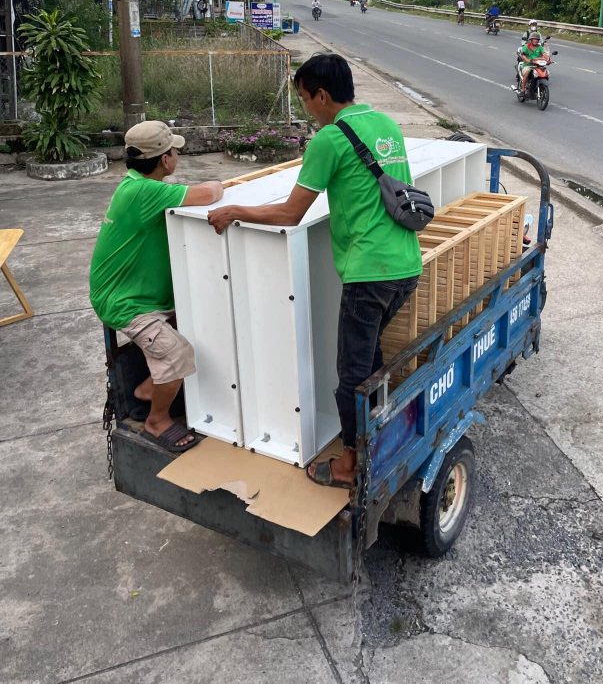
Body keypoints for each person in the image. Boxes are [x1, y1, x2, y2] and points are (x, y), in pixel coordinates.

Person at [208, 53, 422, 488]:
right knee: (370, 359)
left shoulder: (330, 139)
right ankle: (378, 434)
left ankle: (352, 464)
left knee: (351, 376)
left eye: (305, 99)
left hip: (369, 274)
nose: (307, 109)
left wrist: (234, 210)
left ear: (322, 95)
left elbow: (291, 213)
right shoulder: (386, 123)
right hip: (405, 265)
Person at [89, 121, 224, 453]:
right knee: (178, 354)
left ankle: (150, 387)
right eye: (174, 151)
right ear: (165, 160)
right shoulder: (144, 192)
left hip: (140, 293)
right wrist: (220, 183)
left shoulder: (135, 186)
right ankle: (157, 419)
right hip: (126, 303)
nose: (176, 156)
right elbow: (210, 192)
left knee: (199, 320)